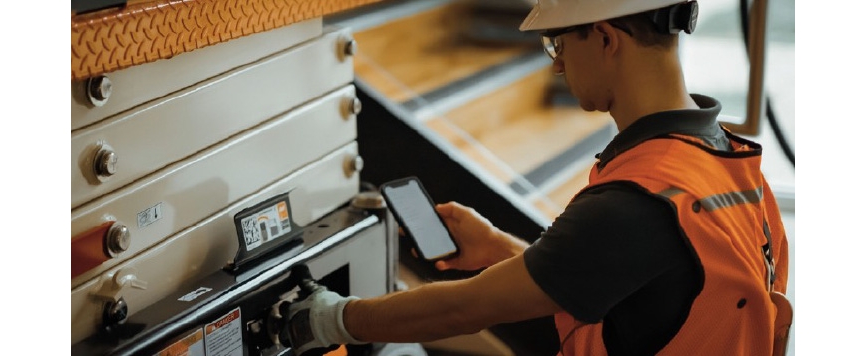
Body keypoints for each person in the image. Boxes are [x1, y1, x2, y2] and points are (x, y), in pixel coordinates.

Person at [283, 0, 791, 354]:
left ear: (605, 37)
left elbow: (465, 309)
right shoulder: (726, 166)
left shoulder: (635, 203)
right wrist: (499, 249)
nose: (557, 67)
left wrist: (330, 318)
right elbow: (616, 278)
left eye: (557, 45)